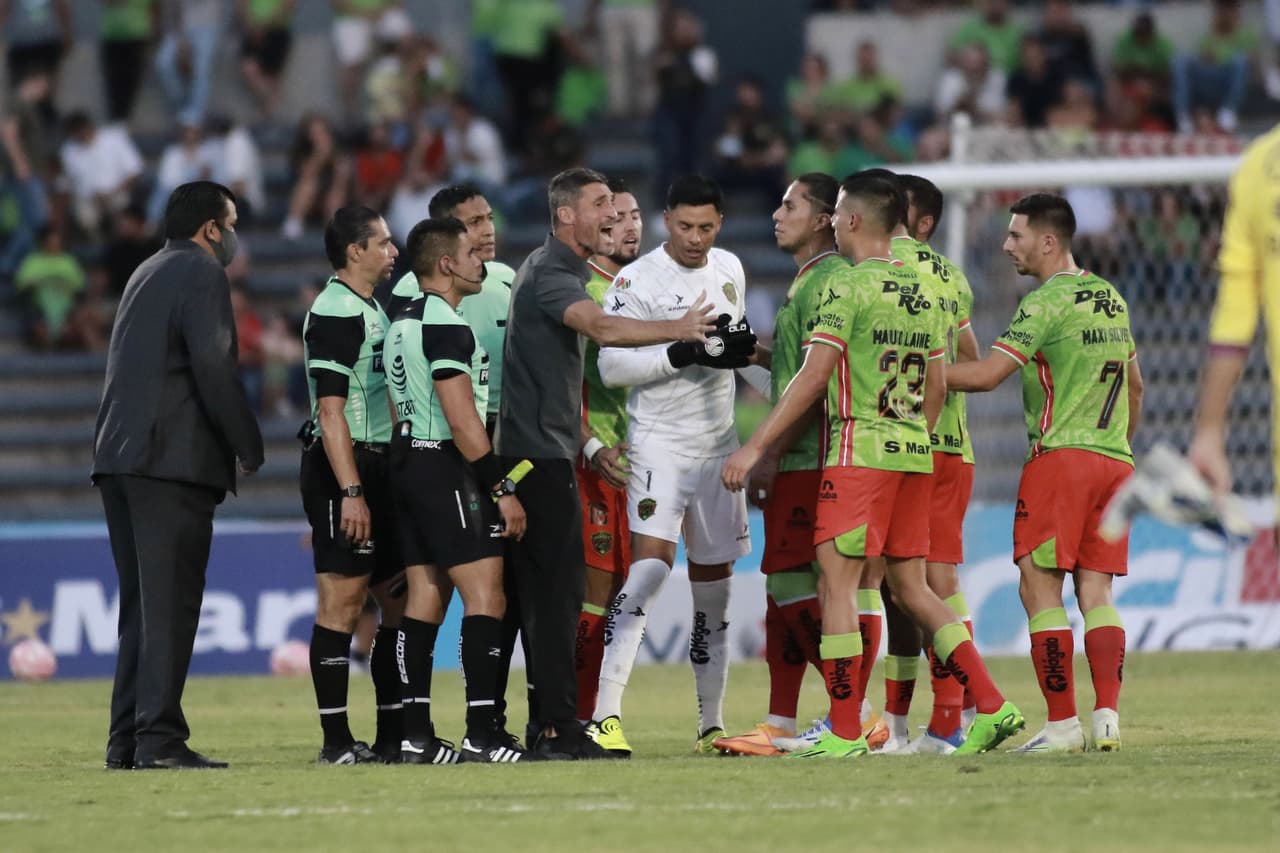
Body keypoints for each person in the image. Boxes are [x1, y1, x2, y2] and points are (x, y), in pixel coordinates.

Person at [722, 173, 1024, 758]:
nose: (831, 220)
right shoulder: (926, 290)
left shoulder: (848, 288)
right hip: (917, 454)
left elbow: (813, 376)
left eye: (835, 212)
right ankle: (991, 702)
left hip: (858, 454)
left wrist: (754, 447)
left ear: (852, 221)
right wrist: (916, 433)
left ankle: (842, 729)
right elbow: (939, 380)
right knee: (913, 587)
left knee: (838, 584)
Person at [496, 166, 715, 760]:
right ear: (568, 216)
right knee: (559, 597)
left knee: (556, 595)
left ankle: (552, 725)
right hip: (544, 456)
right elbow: (599, 329)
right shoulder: (554, 274)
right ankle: (556, 727)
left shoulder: (562, 269)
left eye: (621, 211)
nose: (614, 218)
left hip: (554, 453)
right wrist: (680, 330)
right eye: (602, 207)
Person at [945, 193, 1142, 754]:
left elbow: (986, 376)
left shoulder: (1044, 302)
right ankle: (1106, 717)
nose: (1007, 246)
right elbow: (1137, 387)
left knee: (1039, 584)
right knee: (1097, 589)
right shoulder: (1110, 297)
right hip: (1115, 460)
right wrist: (1116, 449)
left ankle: (1061, 725)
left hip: (1061, 459)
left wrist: (927, 374)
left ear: (1048, 241)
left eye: (1016, 236)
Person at [93, 180, 263, 770]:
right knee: (170, 605)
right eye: (232, 222)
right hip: (169, 460)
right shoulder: (201, 272)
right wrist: (246, 440)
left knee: (141, 607)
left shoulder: (145, 271)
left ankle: (128, 741)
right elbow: (212, 361)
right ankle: (160, 740)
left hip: (120, 458)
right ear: (211, 228)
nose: (235, 235)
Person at [588, 175, 757, 757]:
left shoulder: (730, 269)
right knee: (652, 570)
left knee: (715, 593)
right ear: (666, 221)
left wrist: (743, 354)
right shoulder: (637, 279)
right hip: (658, 443)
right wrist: (682, 351)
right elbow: (612, 368)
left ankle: (711, 724)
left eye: (705, 227)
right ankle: (605, 715)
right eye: (684, 226)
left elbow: (733, 349)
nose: (694, 238)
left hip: (719, 446)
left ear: (720, 224)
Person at [385, 182, 527, 744]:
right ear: (447, 263)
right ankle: (481, 734)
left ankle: (416, 735)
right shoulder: (447, 323)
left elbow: (401, 403)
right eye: (472, 255)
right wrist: (501, 486)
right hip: (446, 467)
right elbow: (463, 418)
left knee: (424, 597)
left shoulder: (402, 323)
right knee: (487, 593)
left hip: (408, 463)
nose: (481, 262)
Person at [713, 174, 842, 757]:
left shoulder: (828, 284)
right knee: (782, 589)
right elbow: (797, 370)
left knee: (803, 584)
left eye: (790, 204)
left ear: (823, 219)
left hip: (814, 457)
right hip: (801, 455)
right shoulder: (807, 283)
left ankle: (855, 714)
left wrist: (760, 451)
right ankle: (781, 720)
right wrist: (757, 352)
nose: (776, 212)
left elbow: (815, 385)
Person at [877, 172, 980, 755]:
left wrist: (913, 390)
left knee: (924, 583)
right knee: (906, 585)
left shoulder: (886, 270)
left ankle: (952, 716)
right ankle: (905, 721)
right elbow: (969, 357)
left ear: (918, 221)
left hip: (914, 445)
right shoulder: (951, 277)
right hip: (944, 445)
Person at [299, 205, 405, 765]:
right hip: (349, 468)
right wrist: (352, 491)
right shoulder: (337, 312)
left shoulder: (371, 309)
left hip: (377, 466)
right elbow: (331, 411)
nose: (393, 252)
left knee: (395, 600)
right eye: (384, 244)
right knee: (342, 604)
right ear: (355, 251)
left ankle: (392, 736)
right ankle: (336, 743)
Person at [573, 176, 642, 725]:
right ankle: (579, 714)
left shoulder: (641, 289)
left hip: (640, 460)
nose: (629, 225)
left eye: (637, 215)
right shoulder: (583, 292)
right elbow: (560, 382)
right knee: (595, 588)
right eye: (616, 216)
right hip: (594, 461)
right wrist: (592, 443)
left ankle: (596, 712)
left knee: (622, 585)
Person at [1189, 125, 1280, 537]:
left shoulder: (1260, 164)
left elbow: (1234, 319)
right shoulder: (1256, 166)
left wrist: (1210, 431)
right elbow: (1234, 318)